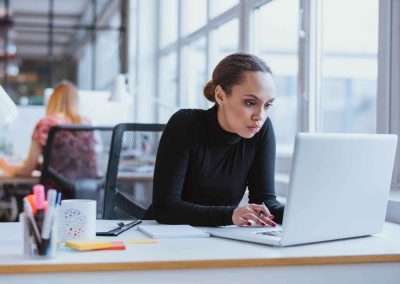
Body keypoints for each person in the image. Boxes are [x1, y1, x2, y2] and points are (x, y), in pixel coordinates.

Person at [148, 53, 285, 227]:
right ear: (220, 96)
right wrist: (230, 216)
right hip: (166, 236)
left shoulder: (262, 130)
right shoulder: (185, 124)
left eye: (267, 105)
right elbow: (165, 208)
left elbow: (265, 202)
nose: (260, 116)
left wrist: (302, 215)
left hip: (219, 236)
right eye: (250, 103)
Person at [0, 81, 89, 177]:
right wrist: (43, 166)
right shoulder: (87, 123)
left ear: (52, 100)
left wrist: (4, 165)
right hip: (91, 189)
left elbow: (26, 171)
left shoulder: (46, 124)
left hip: (55, 189)